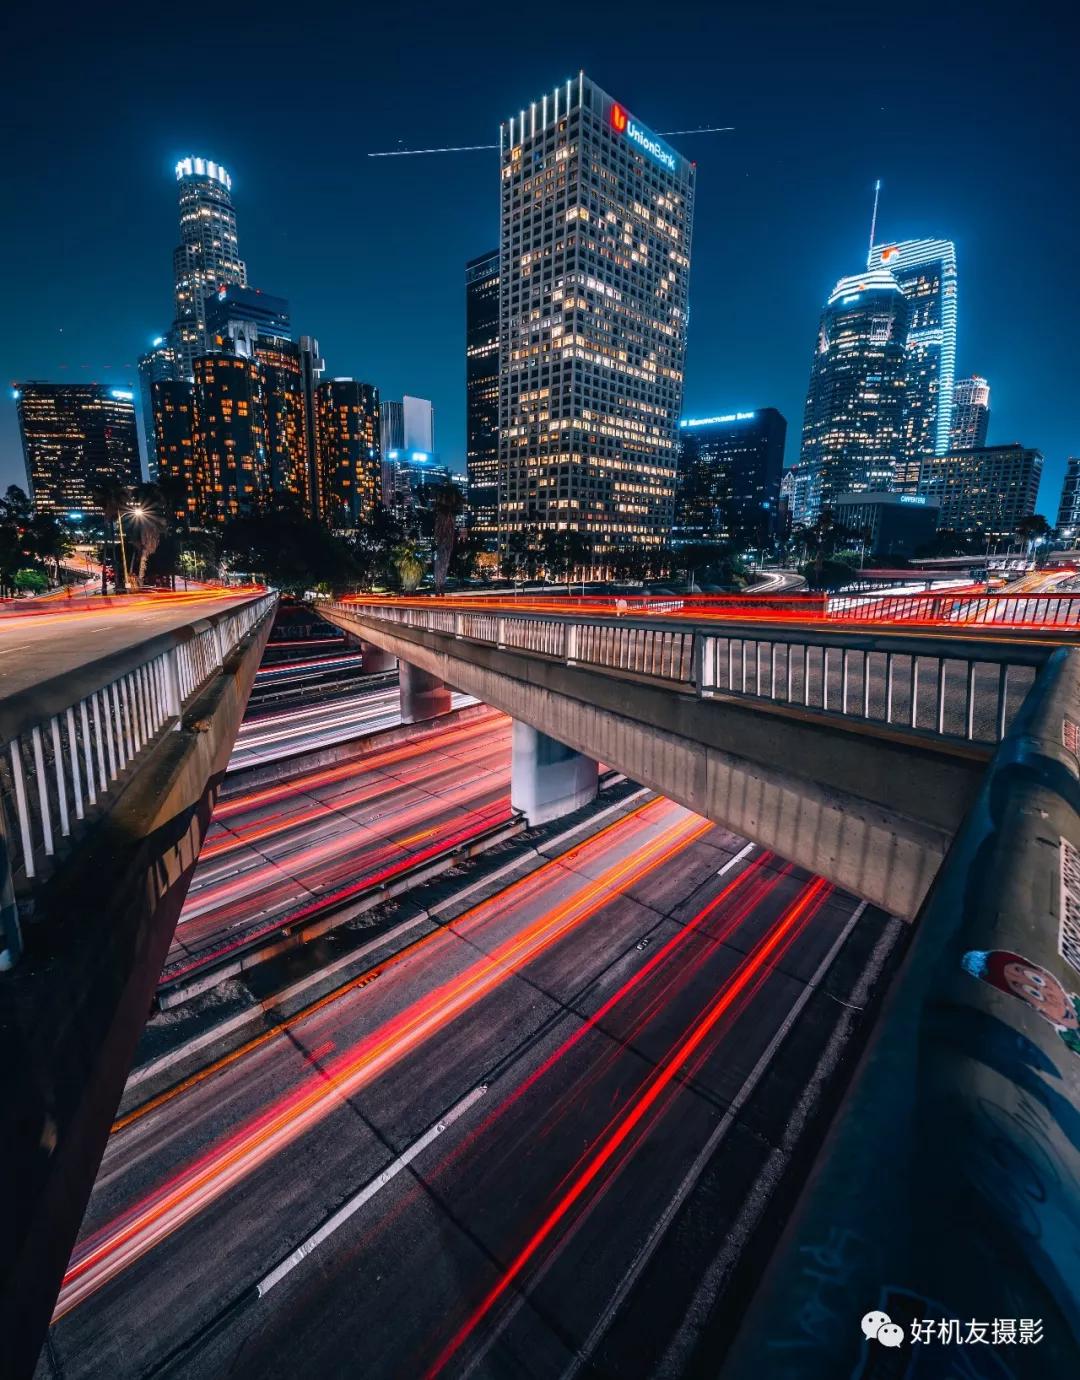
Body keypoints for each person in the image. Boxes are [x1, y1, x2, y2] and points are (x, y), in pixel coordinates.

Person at [962, 949, 1080, 1056]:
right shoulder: (1070, 1036)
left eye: (1037, 979)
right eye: (1034, 993)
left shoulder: (1072, 1008)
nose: (1044, 991)